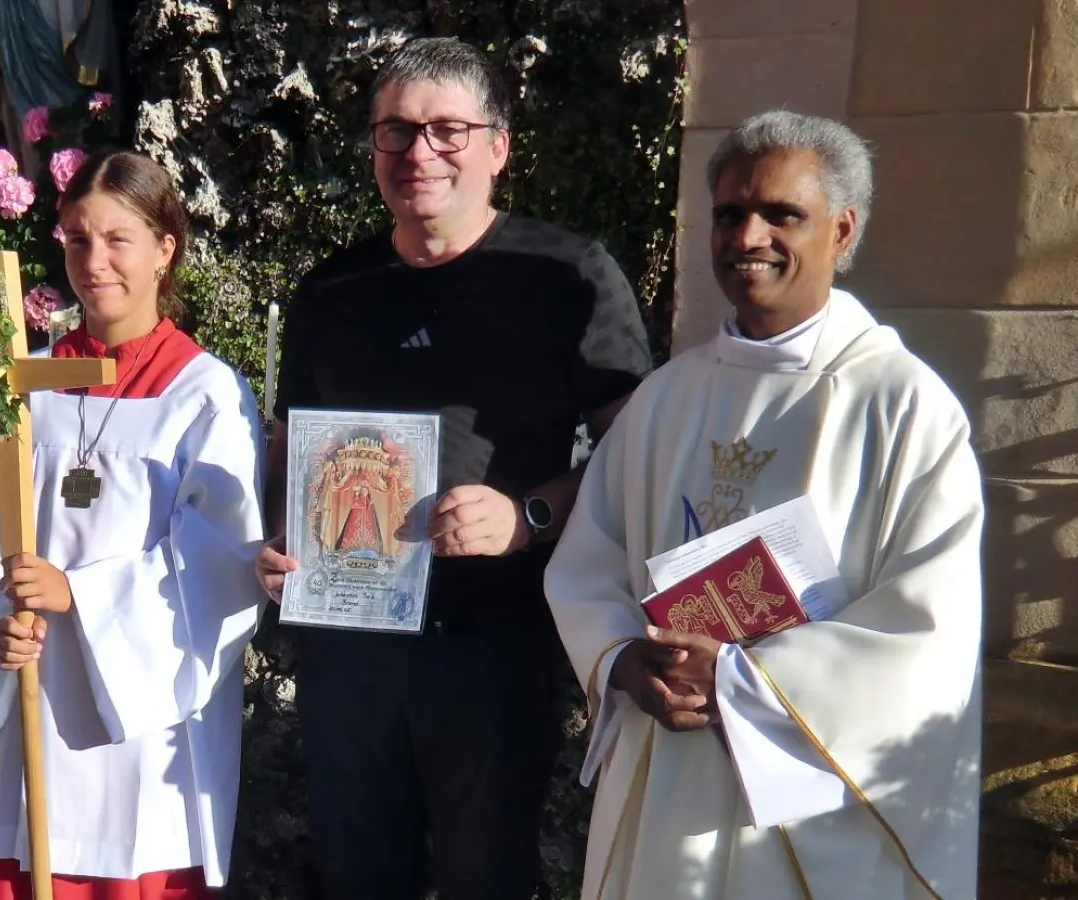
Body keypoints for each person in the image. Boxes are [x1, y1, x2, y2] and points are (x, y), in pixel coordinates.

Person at [543, 110, 982, 899]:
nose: (748, 237)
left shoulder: (902, 406)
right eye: (729, 214)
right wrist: (622, 658)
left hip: (812, 802)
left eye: (782, 215)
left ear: (841, 231)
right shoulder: (664, 397)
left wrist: (741, 679)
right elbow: (588, 562)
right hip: (669, 777)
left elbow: (928, 630)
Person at [255, 37, 653, 900]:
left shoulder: (566, 276)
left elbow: (638, 462)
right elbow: (292, 446)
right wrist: (280, 541)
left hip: (493, 647)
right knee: (357, 879)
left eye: (447, 130)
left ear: (497, 147)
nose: (418, 152)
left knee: (486, 879)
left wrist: (529, 517)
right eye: (395, 131)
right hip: (349, 654)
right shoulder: (332, 290)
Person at [0, 149, 268, 900]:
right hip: (38, 688)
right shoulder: (23, 383)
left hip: (144, 714)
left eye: (118, 239)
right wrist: (3, 623)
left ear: (165, 249)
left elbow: (223, 562)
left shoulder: (205, 395)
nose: (94, 262)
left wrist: (79, 595)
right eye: (77, 239)